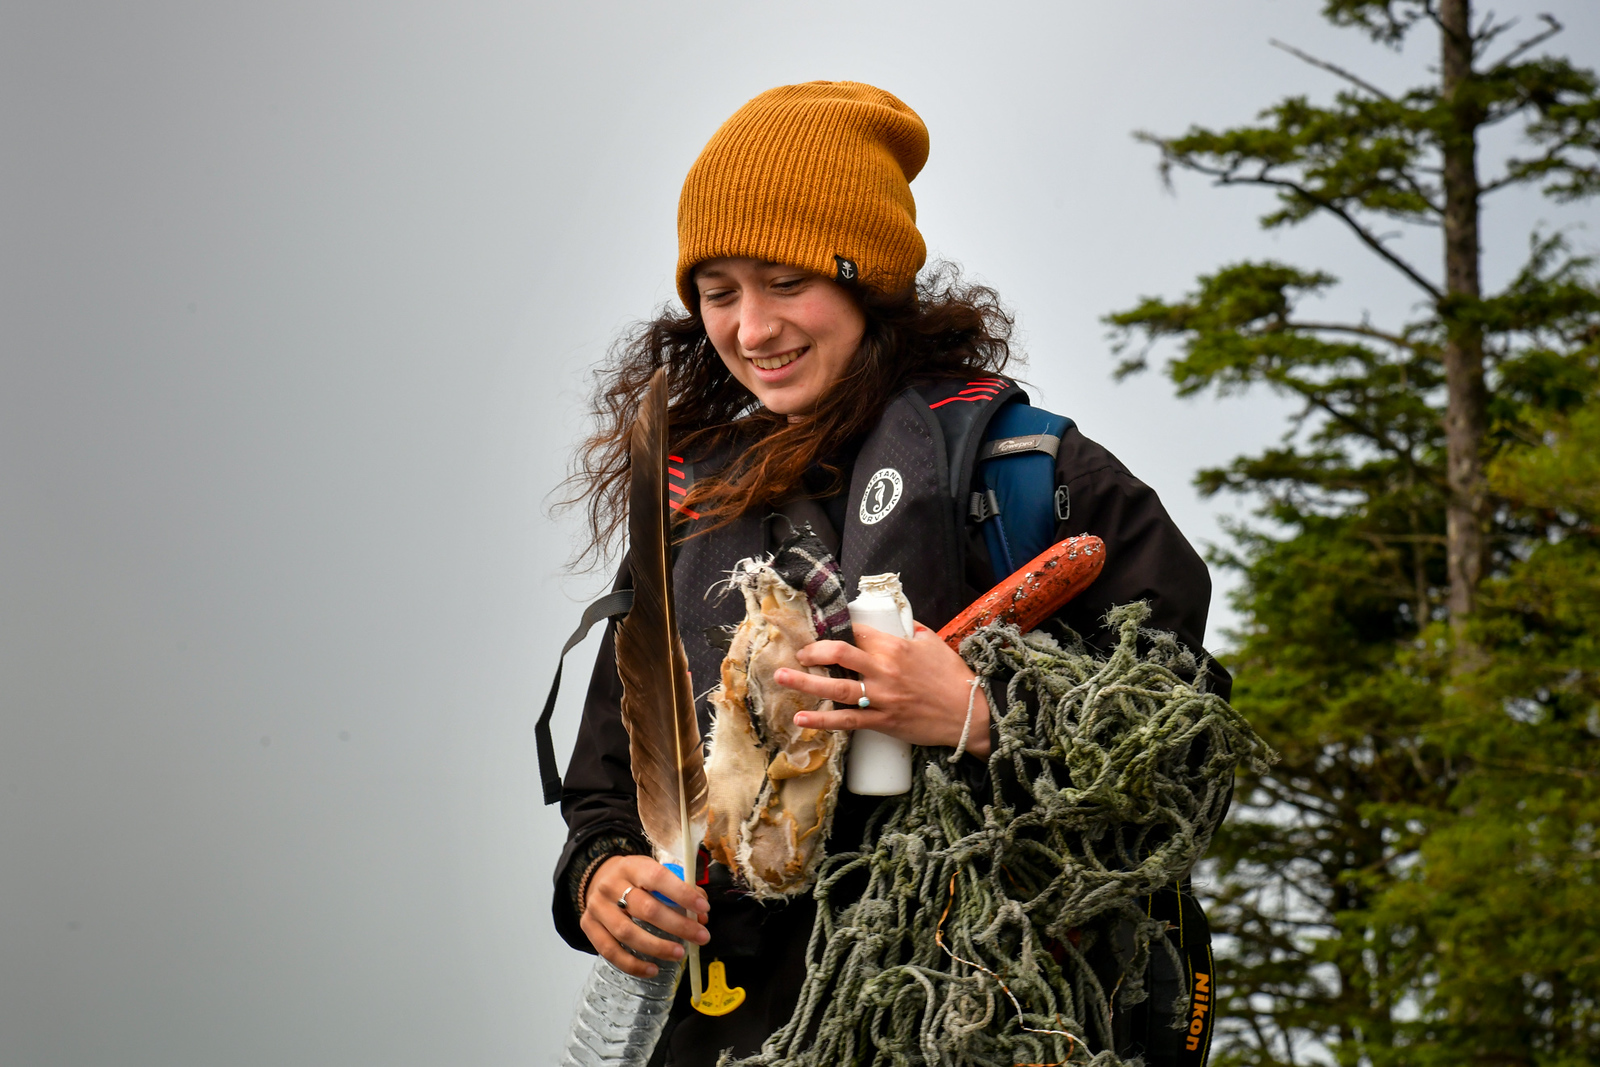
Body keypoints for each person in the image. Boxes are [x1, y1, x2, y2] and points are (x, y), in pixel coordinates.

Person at [552, 81, 1226, 1066]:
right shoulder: (689, 517)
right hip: (731, 1031)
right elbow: (608, 784)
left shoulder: (1033, 482)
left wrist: (978, 711)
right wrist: (601, 876)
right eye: (719, 290)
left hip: (992, 1023)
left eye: (787, 281)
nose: (750, 328)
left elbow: (1188, 753)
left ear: (866, 277)